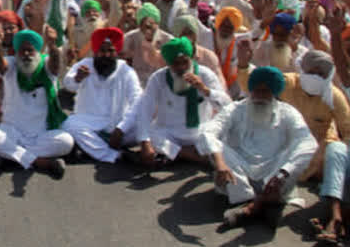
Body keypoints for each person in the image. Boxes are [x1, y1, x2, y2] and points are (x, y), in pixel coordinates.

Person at [197, 66, 317, 229]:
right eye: (257, 90)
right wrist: (220, 164)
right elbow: (209, 132)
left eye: (266, 91)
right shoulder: (235, 109)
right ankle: (265, 204)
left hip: (274, 176)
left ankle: (252, 208)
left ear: (274, 93)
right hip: (239, 175)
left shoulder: (288, 112)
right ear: (251, 90)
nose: (260, 96)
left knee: (303, 146)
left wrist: (283, 173)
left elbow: (307, 142)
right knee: (214, 144)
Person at [237, 48, 350, 181]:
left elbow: (348, 128)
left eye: (320, 74)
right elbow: (250, 87)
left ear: (328, 76)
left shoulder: (333, 96)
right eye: (311, 72)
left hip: (318, 150)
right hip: (284, 140)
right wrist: (243, 65)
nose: (315, 77)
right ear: (302, 69)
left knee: (334, 154)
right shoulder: (286, 83)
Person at [0, 29, 74, 178]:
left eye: (30, 51)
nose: (26, 54)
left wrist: (52, 45)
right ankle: (41, 162)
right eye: (22, 51)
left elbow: (56, 65)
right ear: (16, 52)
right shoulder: (11, 64)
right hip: (12, 131)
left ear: (37, 52)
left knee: (66, 142)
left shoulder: (45, 64)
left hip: (41, 133)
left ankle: (10, 155)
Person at [132, 37, 230, 166]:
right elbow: (145, 109)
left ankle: (176, 154)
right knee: (150, 134)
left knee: (216, 134)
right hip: (169, 133)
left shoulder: (205, 74)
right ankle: (190, 154)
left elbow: (227, 106)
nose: (181, 67)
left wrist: (205, 90)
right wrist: (145, 144)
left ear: (191, 58)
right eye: (175, 64)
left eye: (185, 62)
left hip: (199, 132)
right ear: (168, 63)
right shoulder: (158, 78)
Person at [62, 28, 142, 163]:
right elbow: (68, 84)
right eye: (102, 51)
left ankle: (92, 148)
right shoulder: (84, 66)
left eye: (110, 51)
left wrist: (121, 129)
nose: (106, 55)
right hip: (90, 123)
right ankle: (115, 156)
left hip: (119, 125)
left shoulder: (126, 71)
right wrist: (78, 78)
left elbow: (137, 100)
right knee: (69, 125)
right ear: (95, 52)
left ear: (116, 52)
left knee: (149, 126)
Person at [122, 2, 172, 86]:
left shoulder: (168, 40)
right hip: (136, 83)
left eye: (151, 24)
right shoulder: (129, 38)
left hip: (161, 84)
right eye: (144, 24)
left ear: (157, 23)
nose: (147, 27)